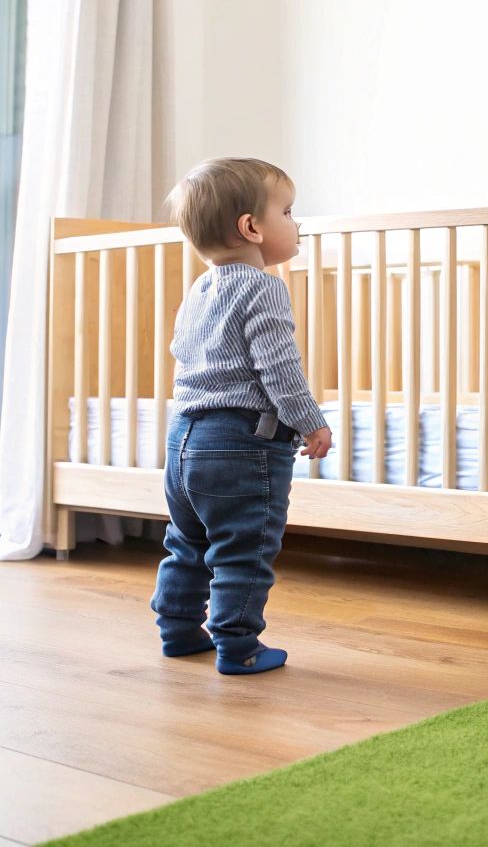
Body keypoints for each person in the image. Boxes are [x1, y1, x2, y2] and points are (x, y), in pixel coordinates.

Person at [150, 156, 333, 674]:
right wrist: (310, 421)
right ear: (251, 228)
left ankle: (179, 631)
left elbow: (180, 349)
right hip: (241, 443)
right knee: (242, 550)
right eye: (289, 211)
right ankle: (239, 646)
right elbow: (279, 369)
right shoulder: (264, 287)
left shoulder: (201, 289)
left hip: (184, 438)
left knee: (187, 542)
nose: (296, 222)